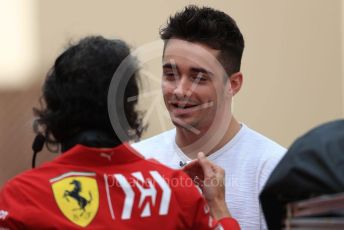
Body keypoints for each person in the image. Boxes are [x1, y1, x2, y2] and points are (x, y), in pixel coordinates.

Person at [0, 36, 240, 229]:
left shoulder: (20, 197)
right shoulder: (179, 190)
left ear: (54, 112)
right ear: (128, 107)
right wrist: (216, 205)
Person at [132, 5, 286, 229]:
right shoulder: (138, 161)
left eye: (199, 78)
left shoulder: (273, 168)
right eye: (170, 74)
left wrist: (219, 209)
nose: (180, 90)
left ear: (233, 84)